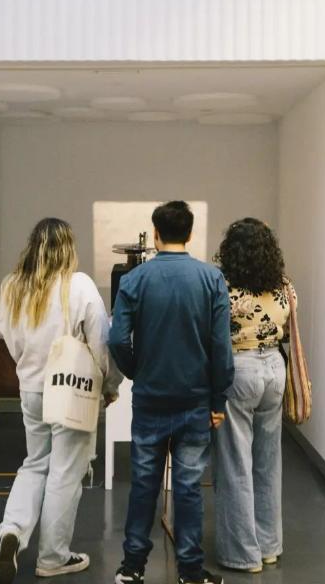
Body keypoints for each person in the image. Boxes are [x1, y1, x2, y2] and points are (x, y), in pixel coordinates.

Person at [109, 201, 234, 584]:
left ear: (156, 233)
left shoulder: (134, 280)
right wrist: (218, 399)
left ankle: (132, 568)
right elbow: (221, 348)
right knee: (188, 488)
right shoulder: (211, 279)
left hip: (150, 399)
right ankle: (190, 572)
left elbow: (117, 339)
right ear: (190, 234)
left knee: (144, 485)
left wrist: (137, 372)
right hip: (196, 402)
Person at [0, 217, 120, 584]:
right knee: (65, 473)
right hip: (71, 390)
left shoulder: (13, 285)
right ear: (68, 248)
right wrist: (109, 385)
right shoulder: (78, 285)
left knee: (34, 464)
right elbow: (101, 342)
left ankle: (12, 530)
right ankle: (52, 558)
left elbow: (2, 332)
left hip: (31, 390)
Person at [212, 218, 293, 573]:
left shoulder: (223, 286)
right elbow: (288, 322)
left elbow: (213, 329)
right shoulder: (284, 286)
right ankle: (269, 546)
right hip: (275, 369)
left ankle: (242, 554)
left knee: (235, 463)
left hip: (240, 369)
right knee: (268, 461)